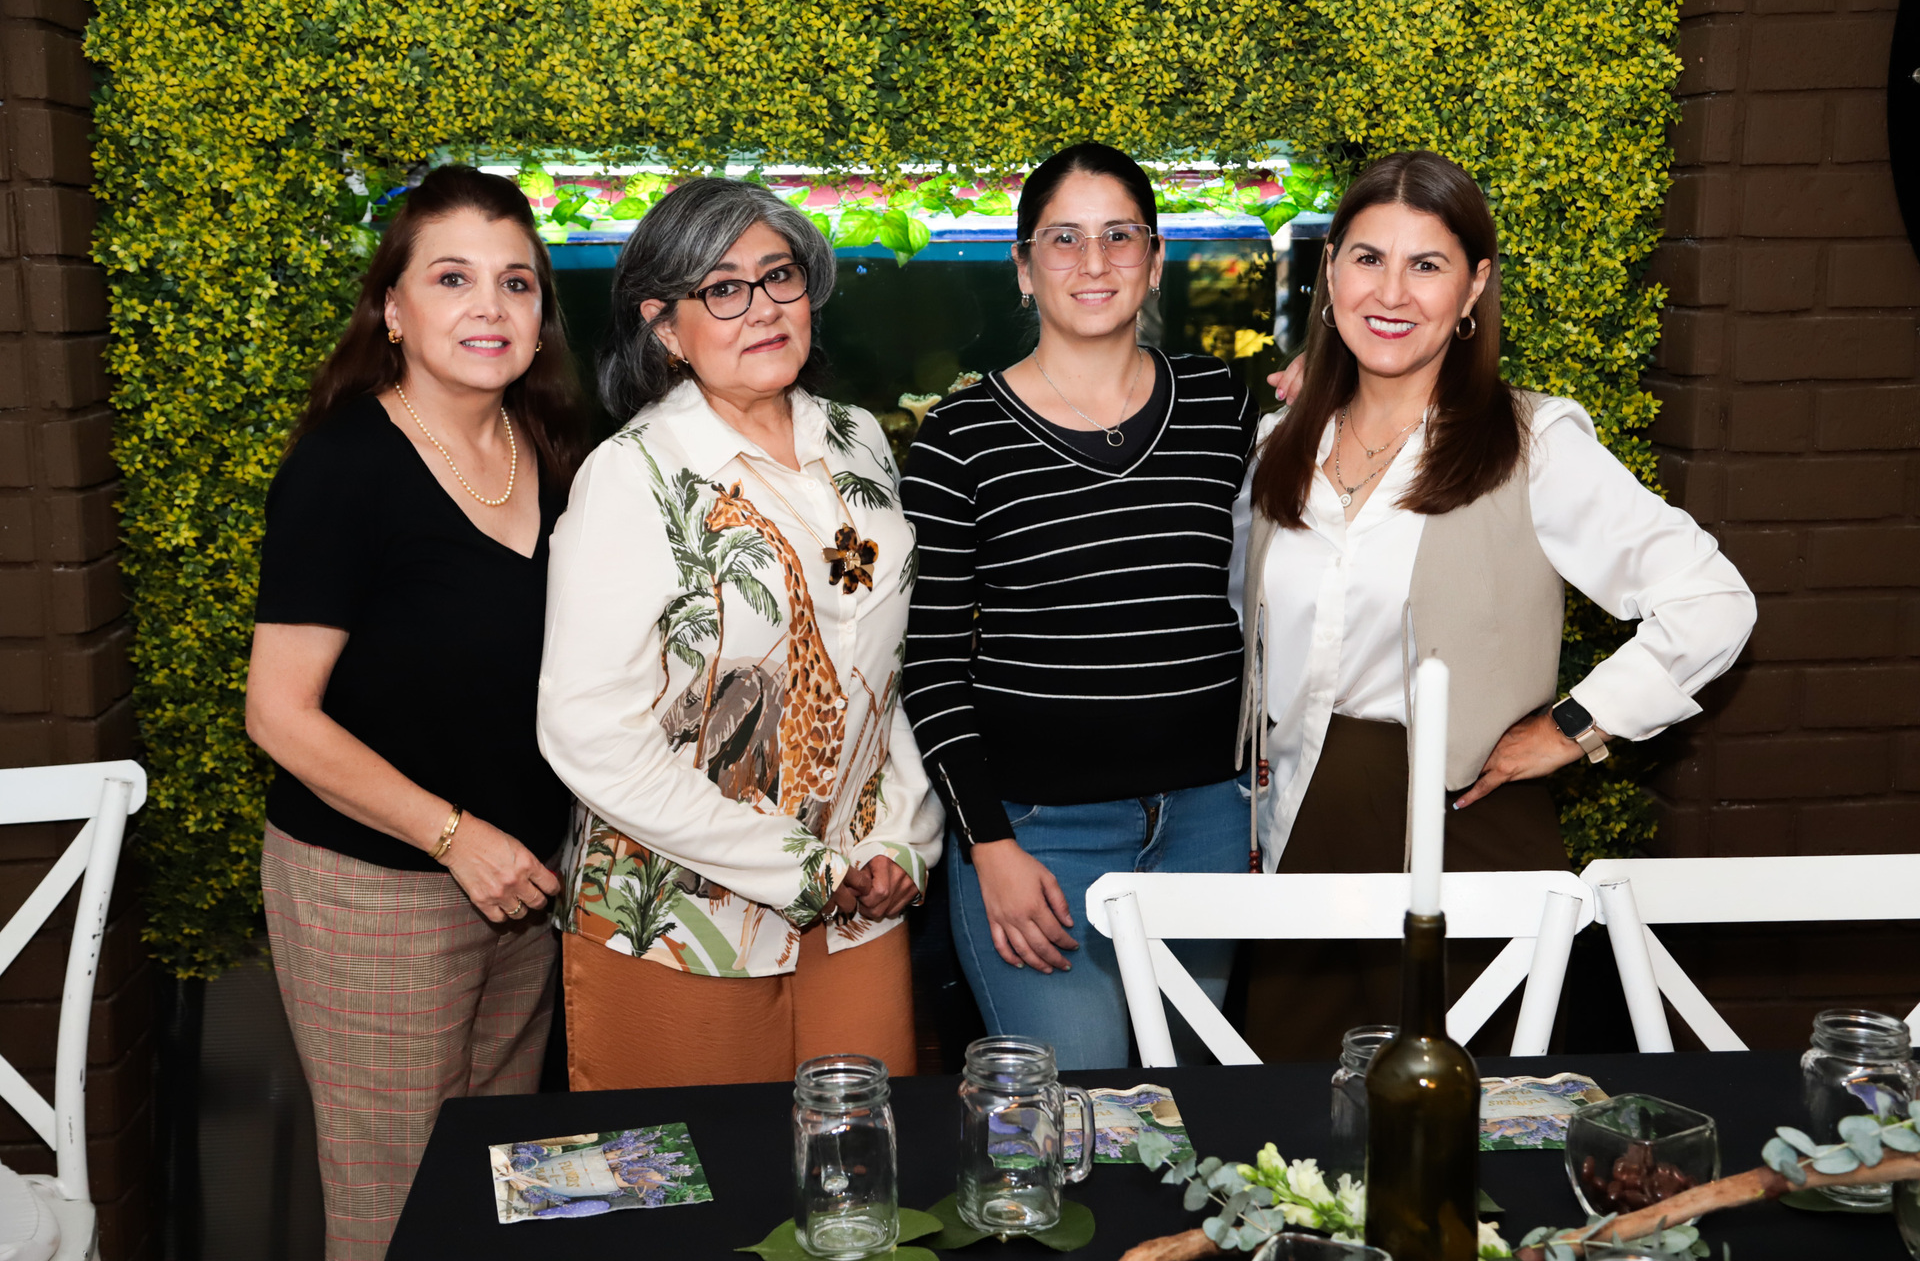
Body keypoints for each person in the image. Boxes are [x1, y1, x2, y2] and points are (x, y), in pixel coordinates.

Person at [1236, 150, 1756, 1059]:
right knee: (1288, 1108)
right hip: (1301, 830)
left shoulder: (1532, 444)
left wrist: (1576, 726)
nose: (1390, 292)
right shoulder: (1282, 440)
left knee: (1476, 1109)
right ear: (1330, 271)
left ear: (1474, 285)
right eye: (1368, 258)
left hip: (1463, 827)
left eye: (1427, 265)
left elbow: (1711, 600)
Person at [245, 164, 583, 1259]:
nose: (490, 306)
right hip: (378, 887)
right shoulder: (344, 466)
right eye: (452, 278)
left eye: (516, 282)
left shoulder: (553, 453)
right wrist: (453, 836)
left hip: (521, 882)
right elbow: (279, 714)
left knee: (502, 1188)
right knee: (396, 1209)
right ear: (392, 309)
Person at [537, 178, 942, 1089]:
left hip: (859, 903)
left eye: (779, 276)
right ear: (665, 327)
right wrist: (799, 866)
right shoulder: (632, 475)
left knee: (861, 1162)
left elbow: (881, 666)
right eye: (722, 288)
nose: (762, 307)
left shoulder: (858, 441)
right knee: (701, 1174)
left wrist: (904, 838)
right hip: (677, 922)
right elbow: (587, 730)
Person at [900, 143, 1257, 1070]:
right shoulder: (959, 439)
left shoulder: (1223, 404)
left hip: (1208, 823)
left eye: (1118, 236)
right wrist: (989, 844)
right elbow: (929, 667)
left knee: (1200, 1101)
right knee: (1071, 1108)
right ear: (1023, 268)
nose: (1093, 262)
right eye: (1063, 239)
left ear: (1156, 258)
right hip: (1037, 837)